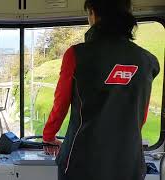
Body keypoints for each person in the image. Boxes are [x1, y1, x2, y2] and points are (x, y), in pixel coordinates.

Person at [42, 0, 160, 179]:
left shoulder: (76, 55)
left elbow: (60, 104)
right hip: (130, 164)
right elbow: (141, 116)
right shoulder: (148, 61)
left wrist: (49, 136)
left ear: (92, 13)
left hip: (82, 163)